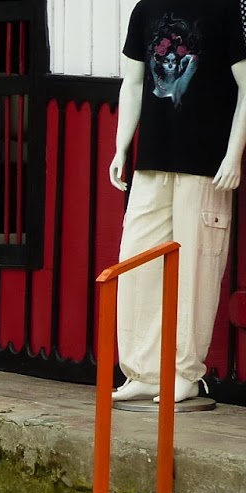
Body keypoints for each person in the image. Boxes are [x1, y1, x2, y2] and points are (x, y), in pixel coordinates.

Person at [108, 0, 246, 403]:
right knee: (137, 263)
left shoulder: (225, 8)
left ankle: (184, 372)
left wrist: (233, 155)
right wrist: (121, 148)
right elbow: (133, 82)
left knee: (196, 267)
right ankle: (144, 370)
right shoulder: (145, 9)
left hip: (205, 165)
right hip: (151, 161)